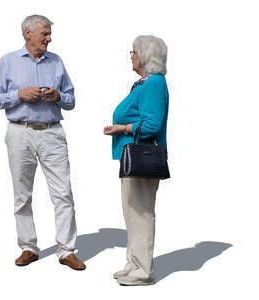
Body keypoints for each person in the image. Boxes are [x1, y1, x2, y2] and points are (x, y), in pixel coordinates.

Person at [0, 15, 85, 270]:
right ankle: (28, 247)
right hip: (20, 132)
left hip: (52, 132)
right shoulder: (7, 61)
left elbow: (72, 100)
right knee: (22, 195)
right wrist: (18, 95)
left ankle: (66, 250)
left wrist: (58, 96)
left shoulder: (57, 61)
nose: (49, 38)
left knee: (63, 193)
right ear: (27, 33)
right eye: (44, 33)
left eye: (49, 34)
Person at [104, 35, 169, 286]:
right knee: (131, 212)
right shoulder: (142, 83)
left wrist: (123, 128)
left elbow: (152, 123)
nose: (130, 55)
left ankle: (144, 271)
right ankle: (133, 262)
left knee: (141, 213)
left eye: (133, 51)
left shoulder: (154, 83)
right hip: (131, 156)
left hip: (143, 157)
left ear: (144, 55)